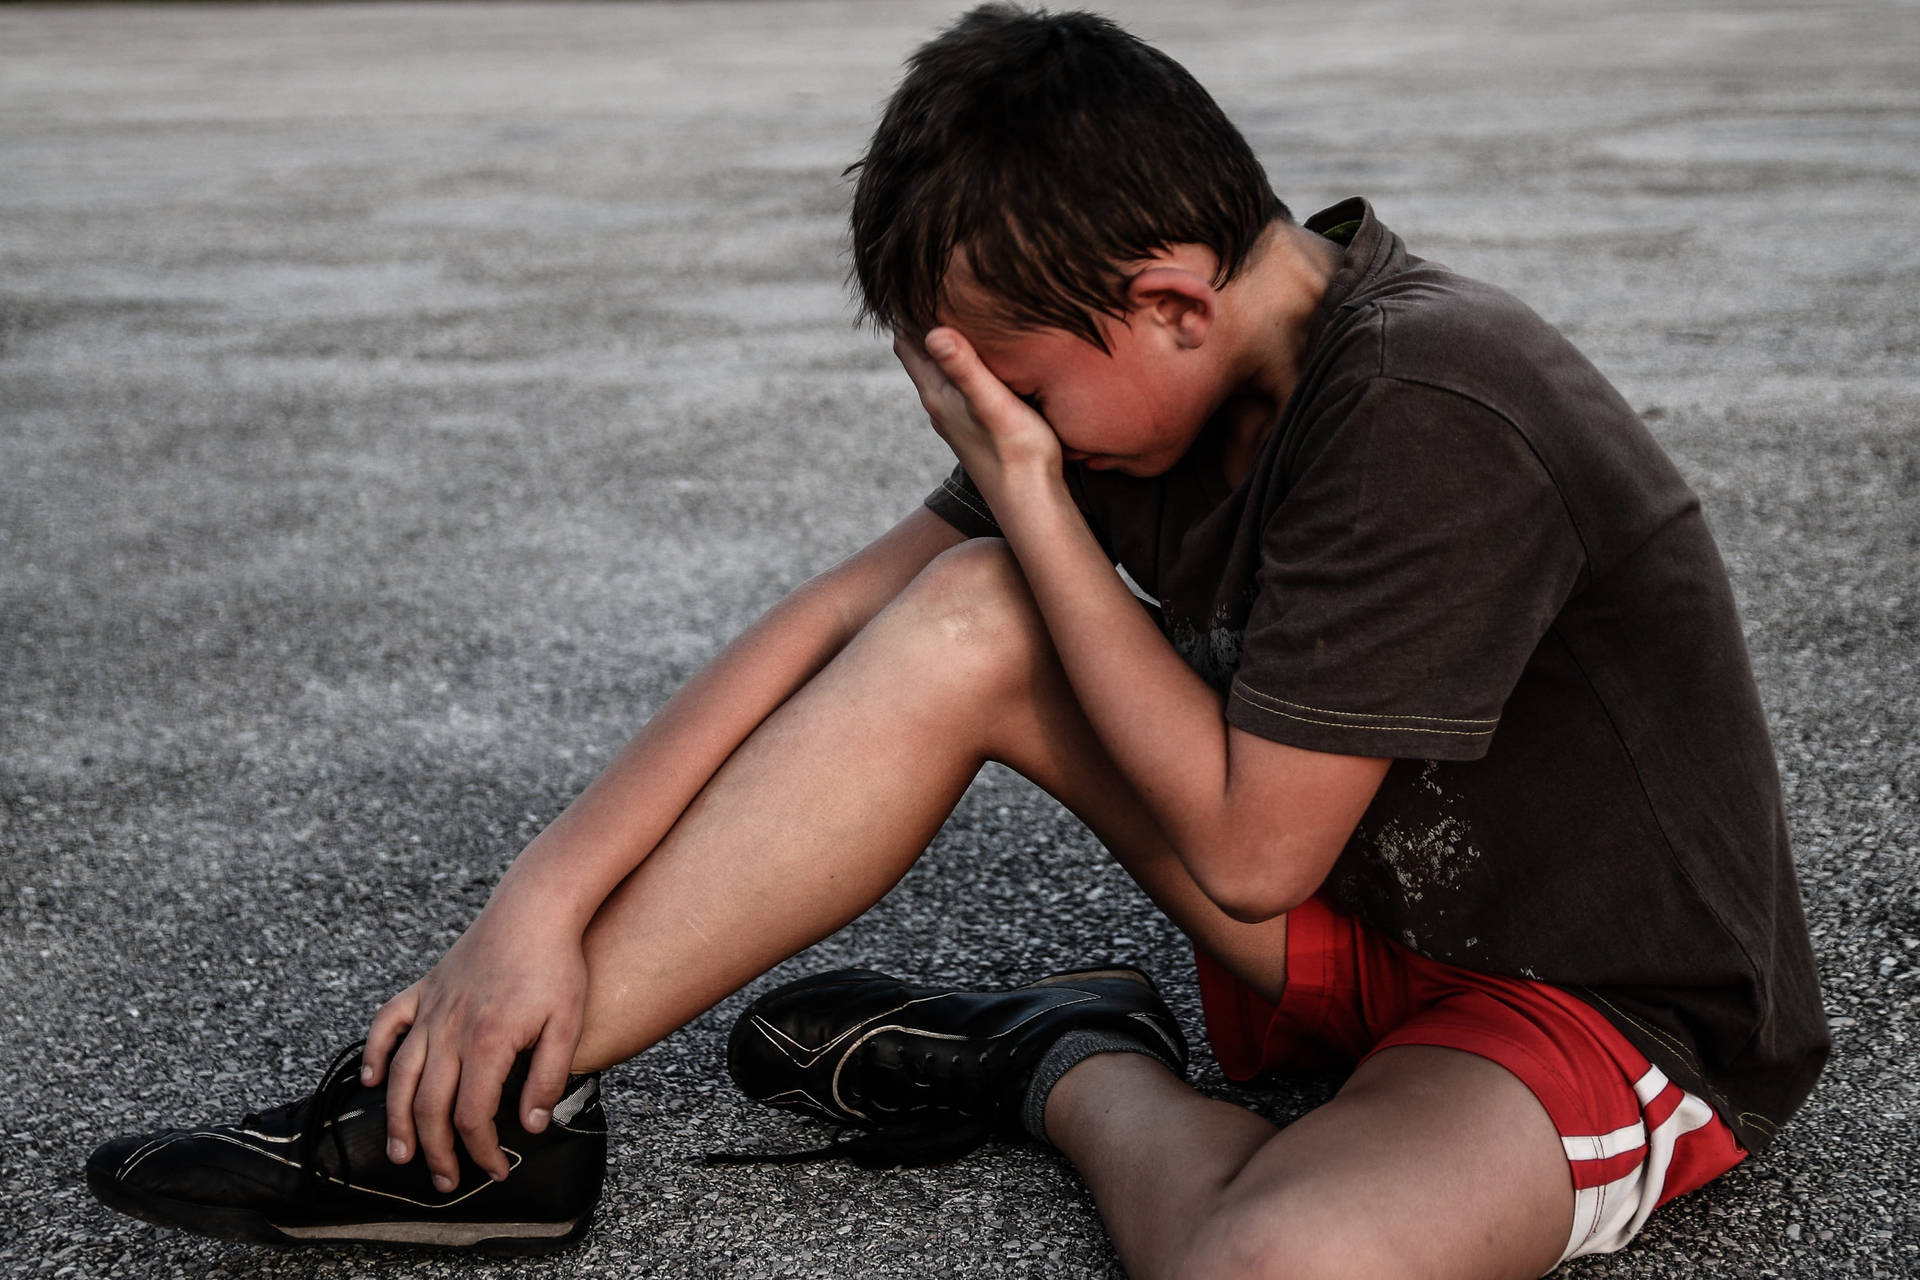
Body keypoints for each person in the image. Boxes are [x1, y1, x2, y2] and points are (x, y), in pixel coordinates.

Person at [86, 6, 1828, 1276]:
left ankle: (1063, 1062)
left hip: (1589, 1003)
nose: (1018, 436)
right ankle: (465, 1127)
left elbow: (1245, 847)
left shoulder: (1435, 403)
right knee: (965, 610)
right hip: (1354, 913)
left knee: (1266, 1269)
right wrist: (528, 914)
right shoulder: (1153, 384)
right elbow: (844, 621)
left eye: (1028, 394)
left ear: (1169, 296)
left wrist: (1033, 491)